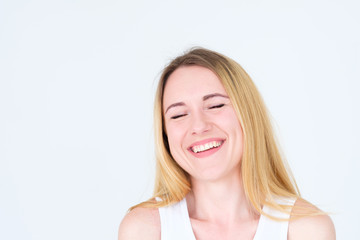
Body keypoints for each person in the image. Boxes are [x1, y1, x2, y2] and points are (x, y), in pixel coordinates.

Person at [118, 48, 335, 240]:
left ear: (248, 114)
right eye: (178, 115)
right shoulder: (144, 230)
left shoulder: (306, 230)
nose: (199, 126)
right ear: (165, 135)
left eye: (215, 105)